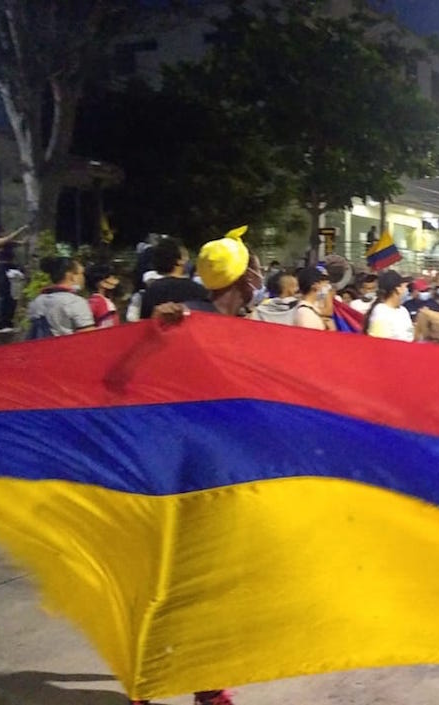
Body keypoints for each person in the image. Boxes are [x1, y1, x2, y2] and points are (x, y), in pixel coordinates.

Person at [146, 227, 256, 705]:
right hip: (186, 475)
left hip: (211, 472)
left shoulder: (235, 329)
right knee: (181, 584)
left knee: (198, 585)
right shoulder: (187, 324)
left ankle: (201, 682)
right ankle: (171, 683)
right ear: (242, 282)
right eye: (252, 270)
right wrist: (157, 324)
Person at [140, 238, 207, 321]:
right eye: (186, 255)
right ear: (179, 261)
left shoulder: (152, 289)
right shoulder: (197, 289)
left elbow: (145, 321)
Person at [26, 257, 94, 337]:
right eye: (81, 273)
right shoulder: (75, 302)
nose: (83, 277)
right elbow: (88, 335)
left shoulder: (36, 301)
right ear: (71, 276)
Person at [0, 225, 27, 332]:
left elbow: (19, 243)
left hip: (10, 268)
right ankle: (2, 323)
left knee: (11, 297)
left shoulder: (8, 243)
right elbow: (8, 239)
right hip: (1, 269)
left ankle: (9, 322)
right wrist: (21, 229)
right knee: (4, 296)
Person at [364, 269, 414, 342]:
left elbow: (410, 336)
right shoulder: (381, 311)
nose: (406, 289)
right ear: (398, 289)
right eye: (404, 286)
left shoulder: (403, 311)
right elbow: (379, 342)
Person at [293, 266, 334, 331]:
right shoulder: (306, 314)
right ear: (315, 285)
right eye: (322, 282)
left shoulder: (309, 310)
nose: (325, 286)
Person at [85, 264, 121, 329]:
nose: (115, 281)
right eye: (112, 278)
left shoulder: (104, 300)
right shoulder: (96, 301)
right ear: (101, 282)